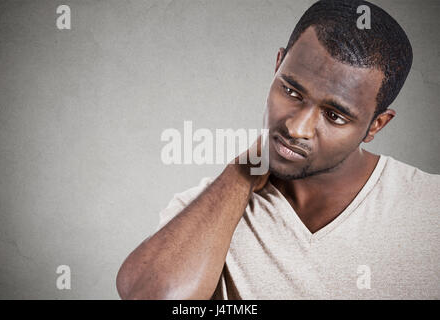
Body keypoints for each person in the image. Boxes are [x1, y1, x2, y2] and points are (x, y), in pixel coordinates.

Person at [116, 0, 440, 299]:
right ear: (277, 66)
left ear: (376, 125)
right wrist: (243, 170)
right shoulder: (205, 213)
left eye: (334, 115)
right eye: (291, 91)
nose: (296, 128)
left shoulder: (430, 211)